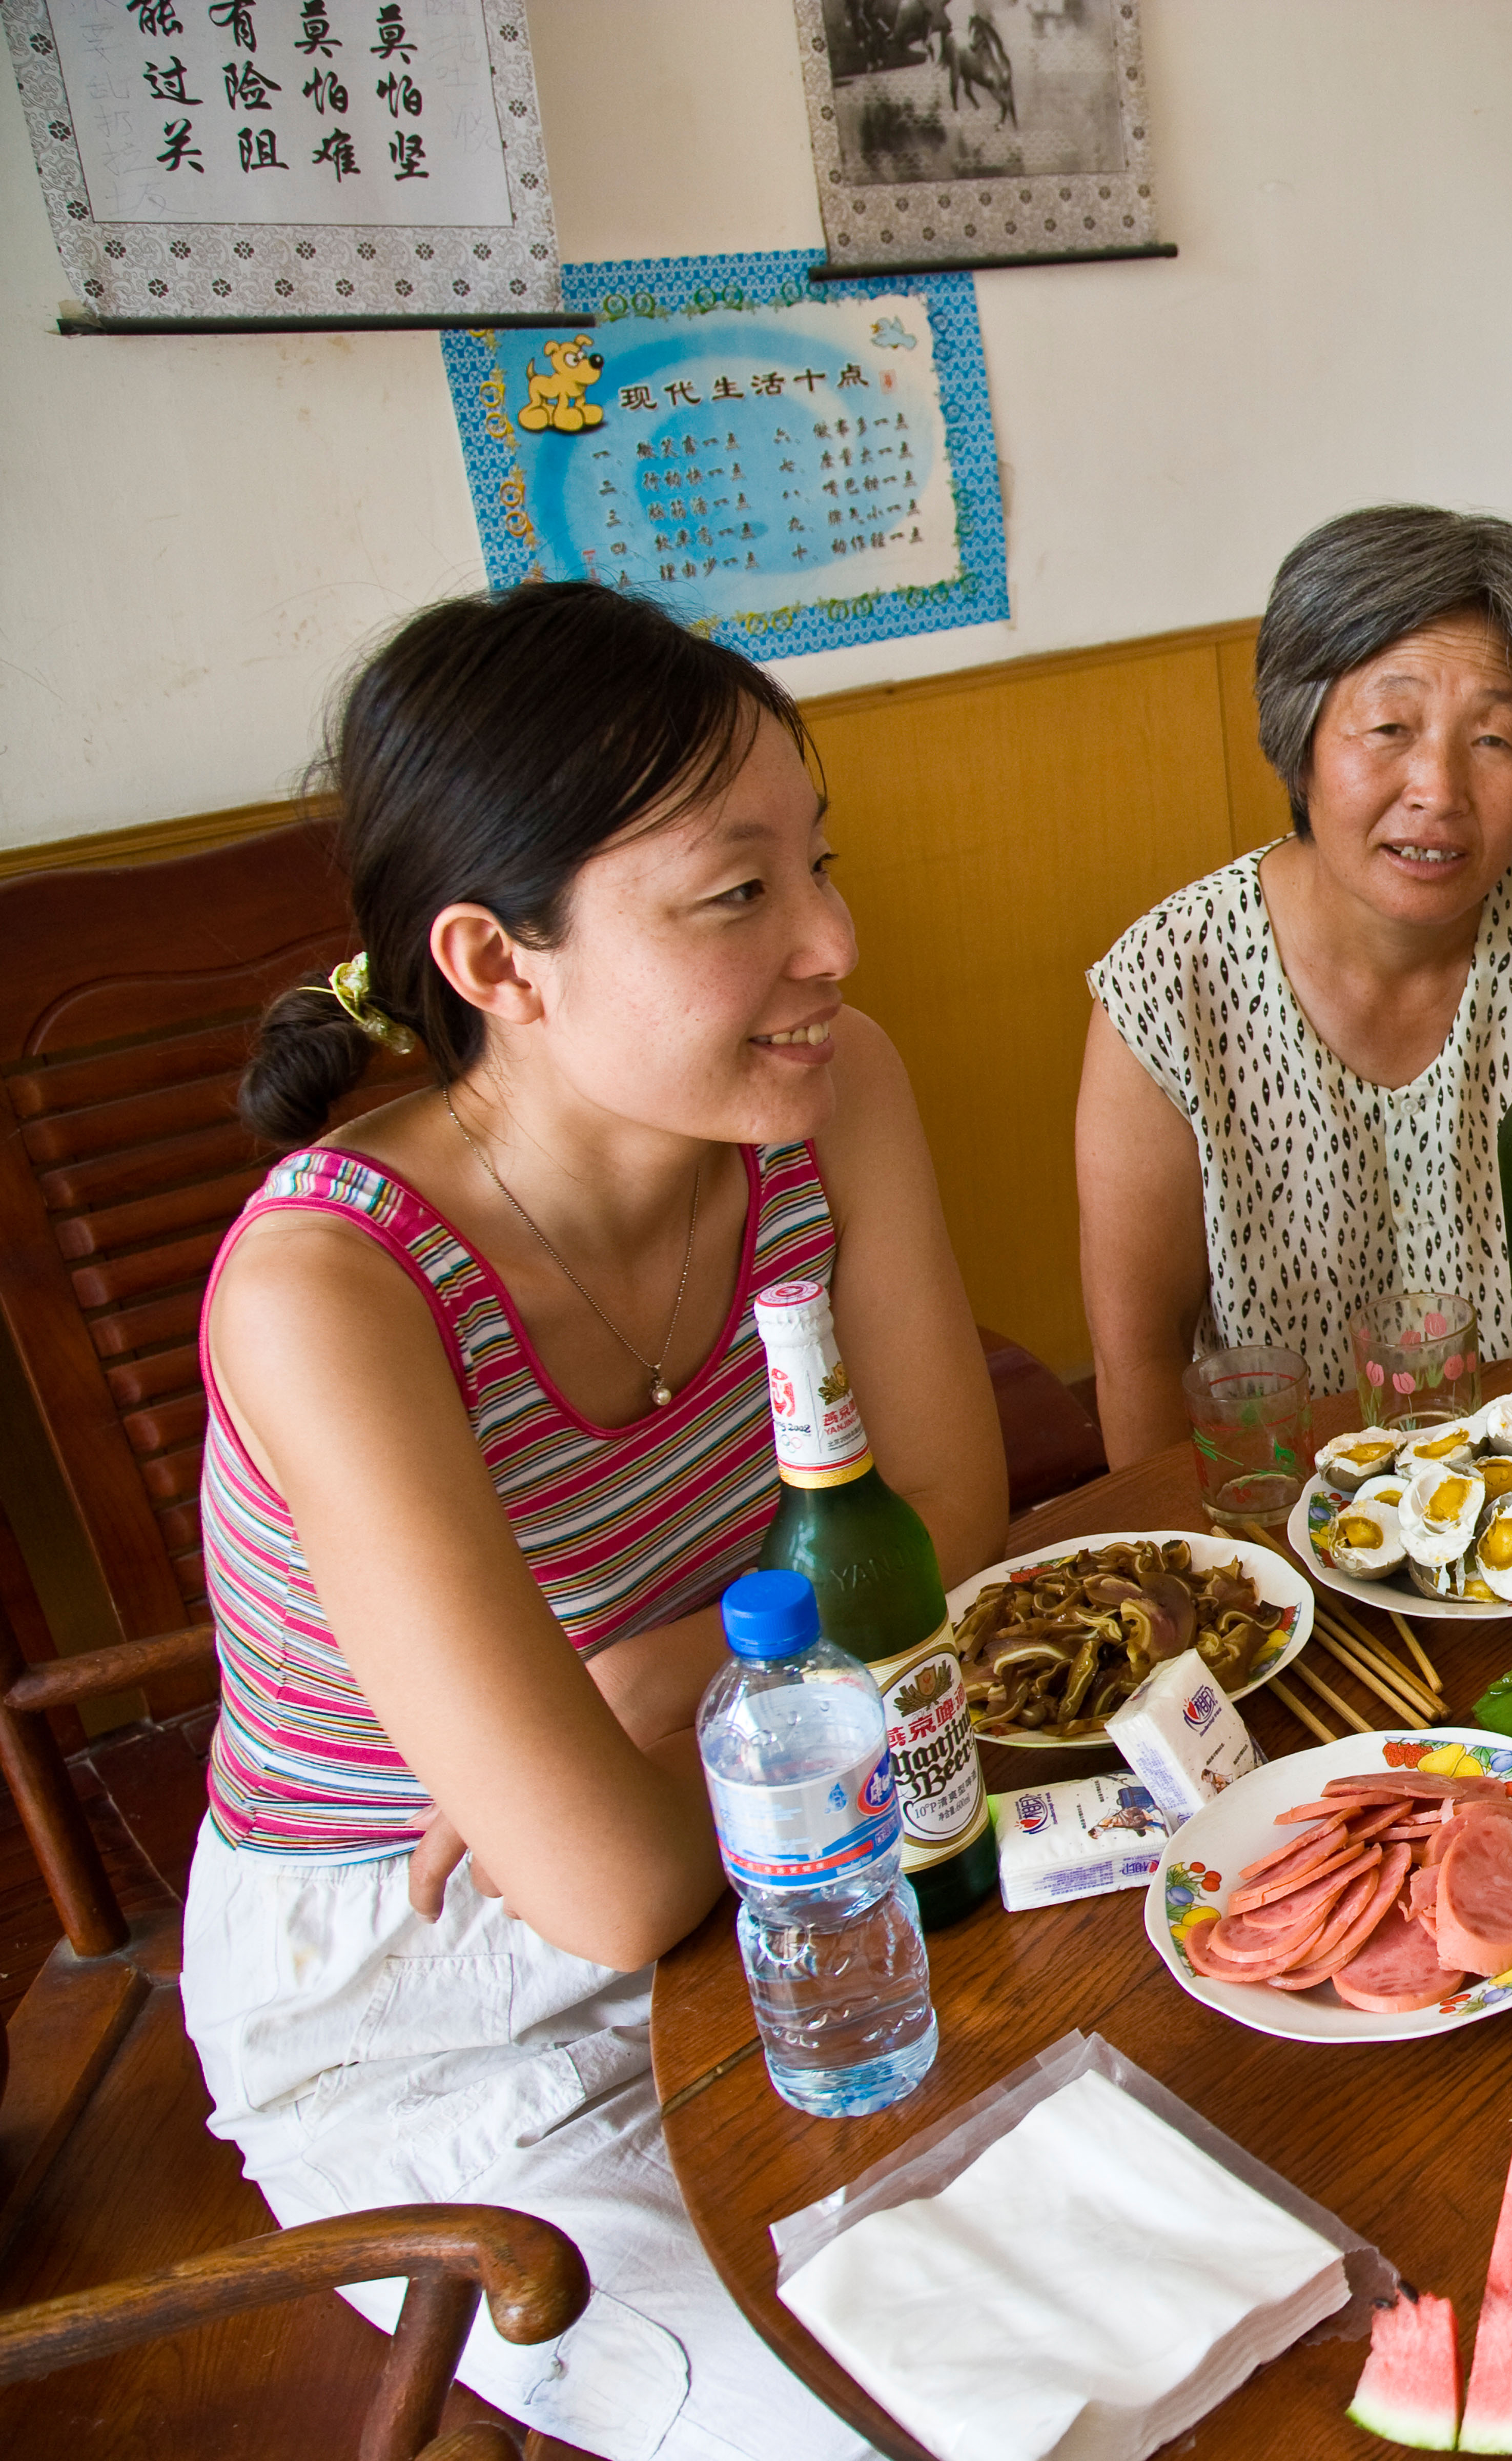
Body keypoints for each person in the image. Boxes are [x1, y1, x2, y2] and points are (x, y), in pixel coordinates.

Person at [187, 580, 1002, 2461]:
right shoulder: (333, 1293)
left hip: (787, 1820)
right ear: (497, 959)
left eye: (821, 864)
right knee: (895, 2421)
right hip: (447, 1998)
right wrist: (725, 1697)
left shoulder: (826, 1091)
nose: (834, 940)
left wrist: (659, 1675)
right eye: (738, 896)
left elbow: (945, 1520)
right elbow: (612, 1889)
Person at [1078, 505, 1512, 1461]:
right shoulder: (1168, 985)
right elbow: (1141, 1372)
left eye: (1493, 739)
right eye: (1389, 727)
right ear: (1301, 738)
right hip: (1292, 1530)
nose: (1439, 790)